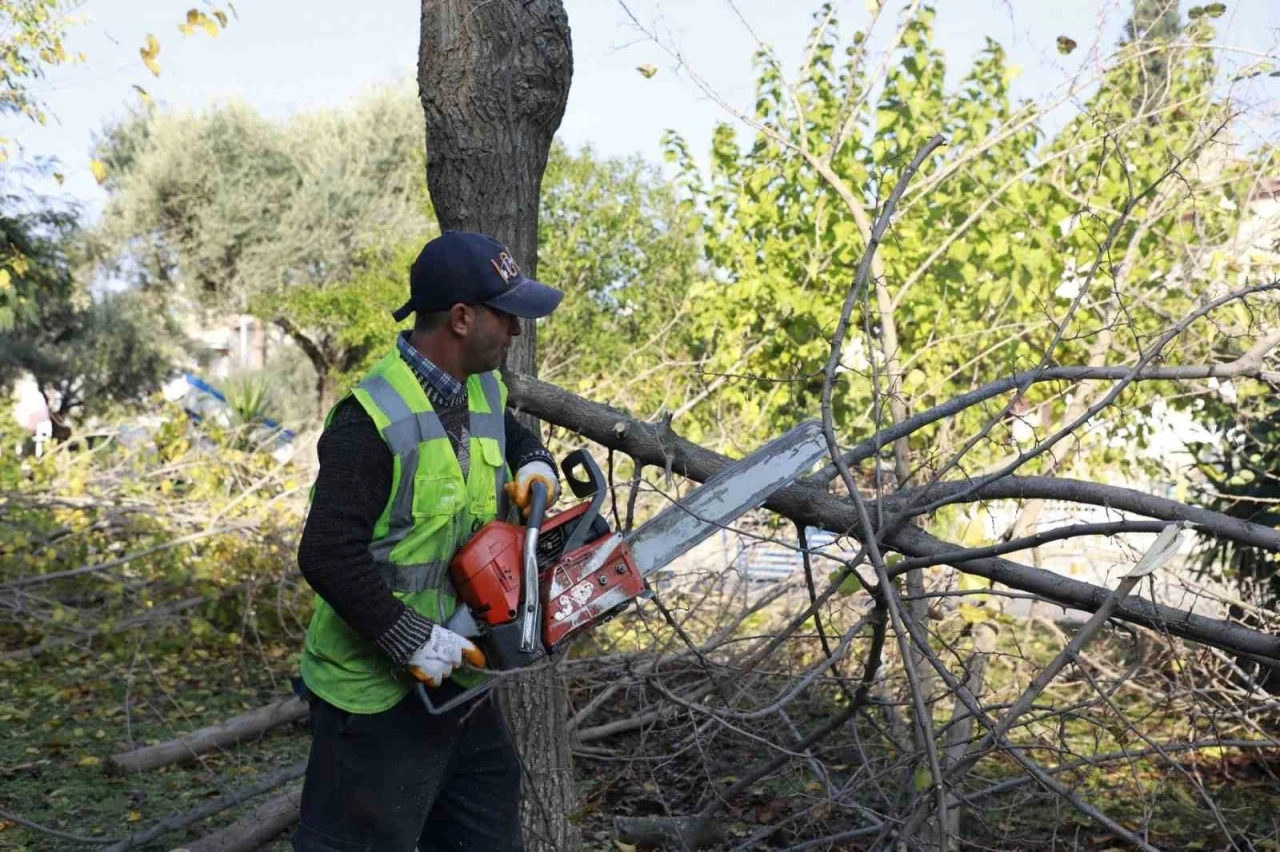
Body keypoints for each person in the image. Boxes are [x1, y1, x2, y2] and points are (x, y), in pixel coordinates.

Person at [291, 231, 563, 852]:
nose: (516, 333)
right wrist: (408, 636)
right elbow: (326, 551)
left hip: (460, 675)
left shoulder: (482, 387)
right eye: (506, 316)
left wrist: (534, 462)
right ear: (463, 318)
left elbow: (510, 434)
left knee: (487, 827)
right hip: (372, 693)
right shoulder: (369, 421)